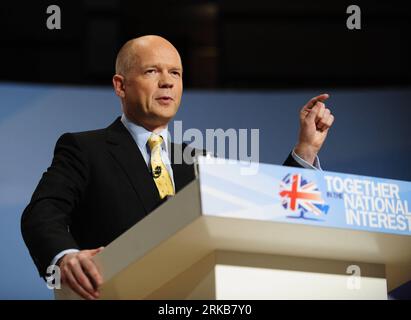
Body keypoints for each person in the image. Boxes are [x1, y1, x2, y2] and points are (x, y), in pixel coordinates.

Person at [21, 35, 335, 300]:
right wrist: (65, 257)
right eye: (152, 71)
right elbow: (42, 213)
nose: (167, 81)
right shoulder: (85, 149)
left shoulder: (204, 162)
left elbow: (260, 212)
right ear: (120, 85)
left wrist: (306, 150)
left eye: (176, 73)